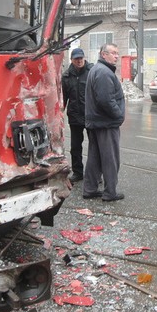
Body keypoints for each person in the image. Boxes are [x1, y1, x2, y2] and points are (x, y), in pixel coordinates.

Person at [83, 43, 126, 202]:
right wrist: (118, 115)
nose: (116, 56)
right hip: (106, 123)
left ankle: (90, 189)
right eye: (113, 53)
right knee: (110, 159)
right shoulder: (104, 72)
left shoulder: (97, 69)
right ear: (103, 54)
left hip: (97, 122)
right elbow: (106, 100)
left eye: (117, 53)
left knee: (95, 158)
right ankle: (110, 192)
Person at [62, 48, 92, 182]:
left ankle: (95, 173)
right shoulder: (66, 76)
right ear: (71, 60)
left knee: (95, 147)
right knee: (75, 147)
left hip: (90, 116)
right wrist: (59, 114)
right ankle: (78, 172)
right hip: (74, 117)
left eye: (81, 58)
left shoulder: (91, 72)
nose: (79, 61)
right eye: (76, 59)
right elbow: (63, 98)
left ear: (84, 58)